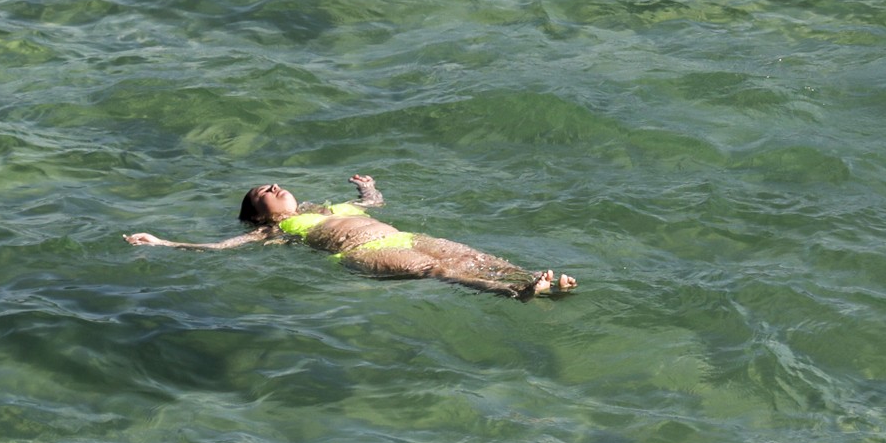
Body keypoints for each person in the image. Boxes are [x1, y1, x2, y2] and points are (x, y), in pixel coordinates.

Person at [124, 174, 577, 301]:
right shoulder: (275, 231)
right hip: (363, 254)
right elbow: (220, 248)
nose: (274, 187)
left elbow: (376, 205)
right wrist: (163, 242)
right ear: (259, 213)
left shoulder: (326, 207)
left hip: (404, 235)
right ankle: (515, 292)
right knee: (441, 271)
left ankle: (537, 280)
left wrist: (365, 188)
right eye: (264, 191)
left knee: (474, 256)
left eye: (275, 183)